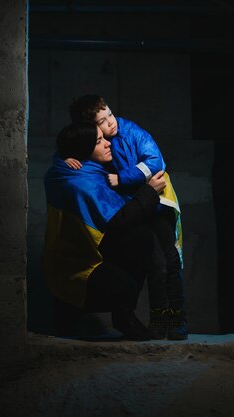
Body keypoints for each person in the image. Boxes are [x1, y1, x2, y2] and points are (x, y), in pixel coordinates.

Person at [66, 94, 187, 340]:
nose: (111, 122)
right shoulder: (94, 142)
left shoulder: (130, 131)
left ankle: (178, 320)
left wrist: (123, 178)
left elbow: (156, 161)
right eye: (102, 121)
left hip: (158, 202)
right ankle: (160, 320)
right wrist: (66, 156)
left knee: (171, 260)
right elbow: (75, 143)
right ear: (91, 127)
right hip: (135, 207)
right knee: (156, 265)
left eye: (109, 114)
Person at [42, 120, 168, 341]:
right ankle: (114, 315)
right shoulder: (81, 183)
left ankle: (112, 314)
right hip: (76, 269)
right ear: (83, 151)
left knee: (140, 239)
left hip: (80, 254)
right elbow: (118, 223)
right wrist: (149, 192)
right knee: (128, 277)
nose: (108, 143)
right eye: (99, 141)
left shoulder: (65, 170)